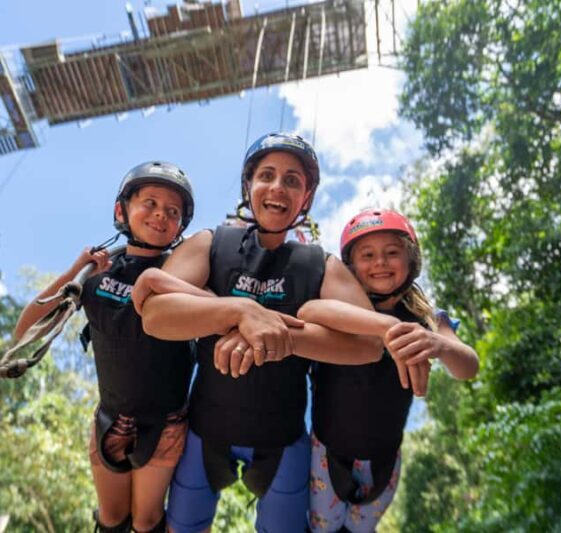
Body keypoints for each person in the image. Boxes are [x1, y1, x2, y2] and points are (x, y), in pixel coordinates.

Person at [132, 133, 384, 533]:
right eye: (266, 175)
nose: (278, 187)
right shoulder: (212, 244)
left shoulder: (320, 265)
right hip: (205, 430)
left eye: (293, 180)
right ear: (248, 185)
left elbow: (369, 347)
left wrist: (278, 336)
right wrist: (238, 310)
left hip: (282, 438)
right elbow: (156, 314)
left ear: (307, 199)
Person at [13, 161, 206, 533]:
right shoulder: (99, 271)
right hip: (110, 418)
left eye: (172, 212)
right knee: (112, 517)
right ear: (122, 210)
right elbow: (27, 331)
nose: (160, 215)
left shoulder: (183, 273)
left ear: (181, 227)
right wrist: (75, 272)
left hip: (164, 421)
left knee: (147, 518)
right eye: (149, 203)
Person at [298, 209, 479, 532]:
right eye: (368, 255)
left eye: (392, 253)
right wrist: (384, 327)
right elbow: (309, 311)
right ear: (351, 267)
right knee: (323, 528)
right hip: (327, 454)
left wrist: (439, 345)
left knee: (361, 529)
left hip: (385, 460)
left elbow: (468, 366)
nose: (380, 262)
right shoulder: (342, 309)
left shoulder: (425, 319)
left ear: (411, 261)